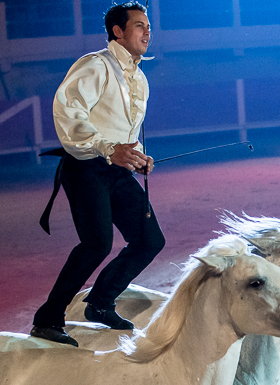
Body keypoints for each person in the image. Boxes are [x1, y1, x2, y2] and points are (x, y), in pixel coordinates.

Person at [31, 2, 165, 346]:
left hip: (117, 169)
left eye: (148, 26)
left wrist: (136, 156)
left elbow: (125, 132)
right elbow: (68, 112)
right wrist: (108, 149)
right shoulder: (96, 65)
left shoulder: (140, 78)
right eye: (139, 25)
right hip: (85, 167)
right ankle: (47, 319)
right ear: (117, 31)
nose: (147, 32)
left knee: (150, 240)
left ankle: (100, 303)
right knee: (96, 244)